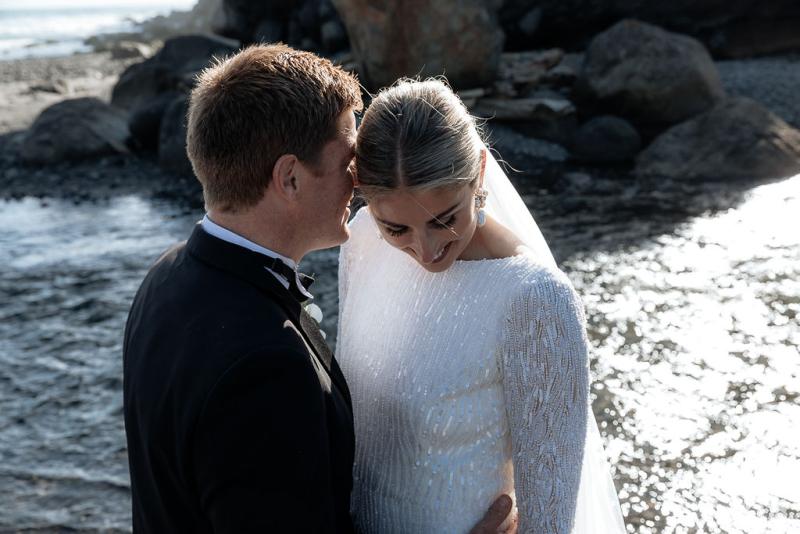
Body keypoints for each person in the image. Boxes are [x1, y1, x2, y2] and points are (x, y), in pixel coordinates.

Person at [122, 45, 514, 533]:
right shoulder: (267, 366)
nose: (359, 182)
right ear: (289, 178)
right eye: (349, 160)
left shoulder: (165, 279)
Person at [336, 78, 627, 533]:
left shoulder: (534, 300)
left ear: (480, 174)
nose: (427, 250)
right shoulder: (363, 243)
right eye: (398, 229)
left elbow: (551, 522)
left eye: (444, 219)